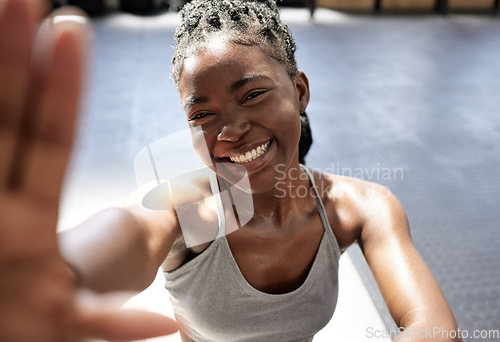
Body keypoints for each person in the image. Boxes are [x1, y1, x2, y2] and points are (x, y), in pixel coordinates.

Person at [0, 0, 462, 341]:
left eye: (254, 94)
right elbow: (133, 233)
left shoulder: (361, 207)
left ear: (299, 91)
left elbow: (434, 327)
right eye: (202, 115)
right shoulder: (184, 208)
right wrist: (63, 272)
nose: (232, 129)